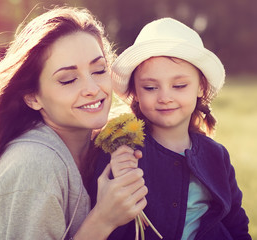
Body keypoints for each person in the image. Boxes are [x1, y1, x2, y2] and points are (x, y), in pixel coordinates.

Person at [0, 7, 148, 240]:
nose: (93, 89)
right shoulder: (34, 168)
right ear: (33, 97)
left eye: (99, 69)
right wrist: (103, 220)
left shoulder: (101, 147)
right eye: (68, 79)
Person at [90, 18, 251, 239]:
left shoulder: (217, 156)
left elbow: (236, 223)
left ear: (200, 87)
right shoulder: (123, 153)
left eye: (179, 86)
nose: (165, 97)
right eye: (150, 87)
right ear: (135, 92)